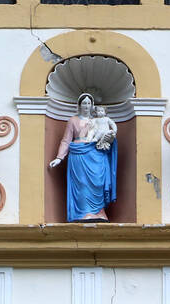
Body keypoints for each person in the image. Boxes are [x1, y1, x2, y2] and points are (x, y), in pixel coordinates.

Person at [48, 93, 118, 221]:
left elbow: (108, 136)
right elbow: (66, 140)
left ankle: (99, 212)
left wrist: (110, 138)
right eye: (84, 103)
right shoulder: (73, 120)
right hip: (79, 155)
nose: (86, 106)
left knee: (98, 183)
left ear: (92, 106)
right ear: (79, 105)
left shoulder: (98, 120)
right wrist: (59, 157)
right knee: (83, 184)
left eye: (89, 103)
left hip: (97, 154)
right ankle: (85, 212)